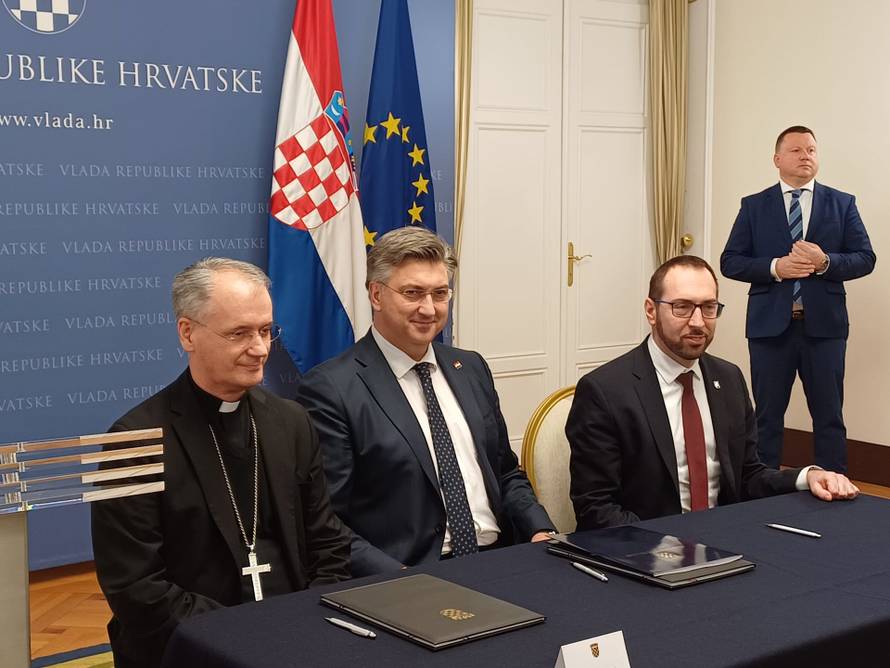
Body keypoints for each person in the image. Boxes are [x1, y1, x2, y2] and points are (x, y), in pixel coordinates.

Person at [91, 258, 350, 668]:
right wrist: (244, 638)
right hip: (191, 648)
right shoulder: (131, 443)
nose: (261, 349)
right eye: (239, 334)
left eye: (266, 330)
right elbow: (135, 588)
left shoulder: (292, 421)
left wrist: (308, 624)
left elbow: (328, 543)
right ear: (187, 333)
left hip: (299, 634)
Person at [295, 226, 555, 576]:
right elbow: (327, 521)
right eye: (413, 293)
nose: (429, 309)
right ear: (376, 294)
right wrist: (398, 577)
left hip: (502, 559)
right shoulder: (332, 389)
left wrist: (540, 529)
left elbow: (504, 471)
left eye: (440, 293)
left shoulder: (471, 367)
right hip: (408, 576)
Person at [566, 255, 859, 531]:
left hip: (724, 543)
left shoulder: (728, 378)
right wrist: (669, 550)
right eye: (681, 307)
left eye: (708, 307)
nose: (697, 322)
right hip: (644, 556)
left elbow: (747, 477)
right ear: (651, 311)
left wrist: (805, 476)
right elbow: (596, 508)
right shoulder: (605, 391)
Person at [720, 126, 875, 473]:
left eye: (811, 150)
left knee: (829, 416)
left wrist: (826, 263)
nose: (806, 156)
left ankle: (833, 490)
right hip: (769, 328)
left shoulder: (842, 203)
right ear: (777, 159)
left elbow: (866, 258)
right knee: (766, 418)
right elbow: (730, 261)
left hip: (825, 329)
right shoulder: (753, 206)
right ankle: (760, 492)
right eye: (796, 150)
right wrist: (777, 267)